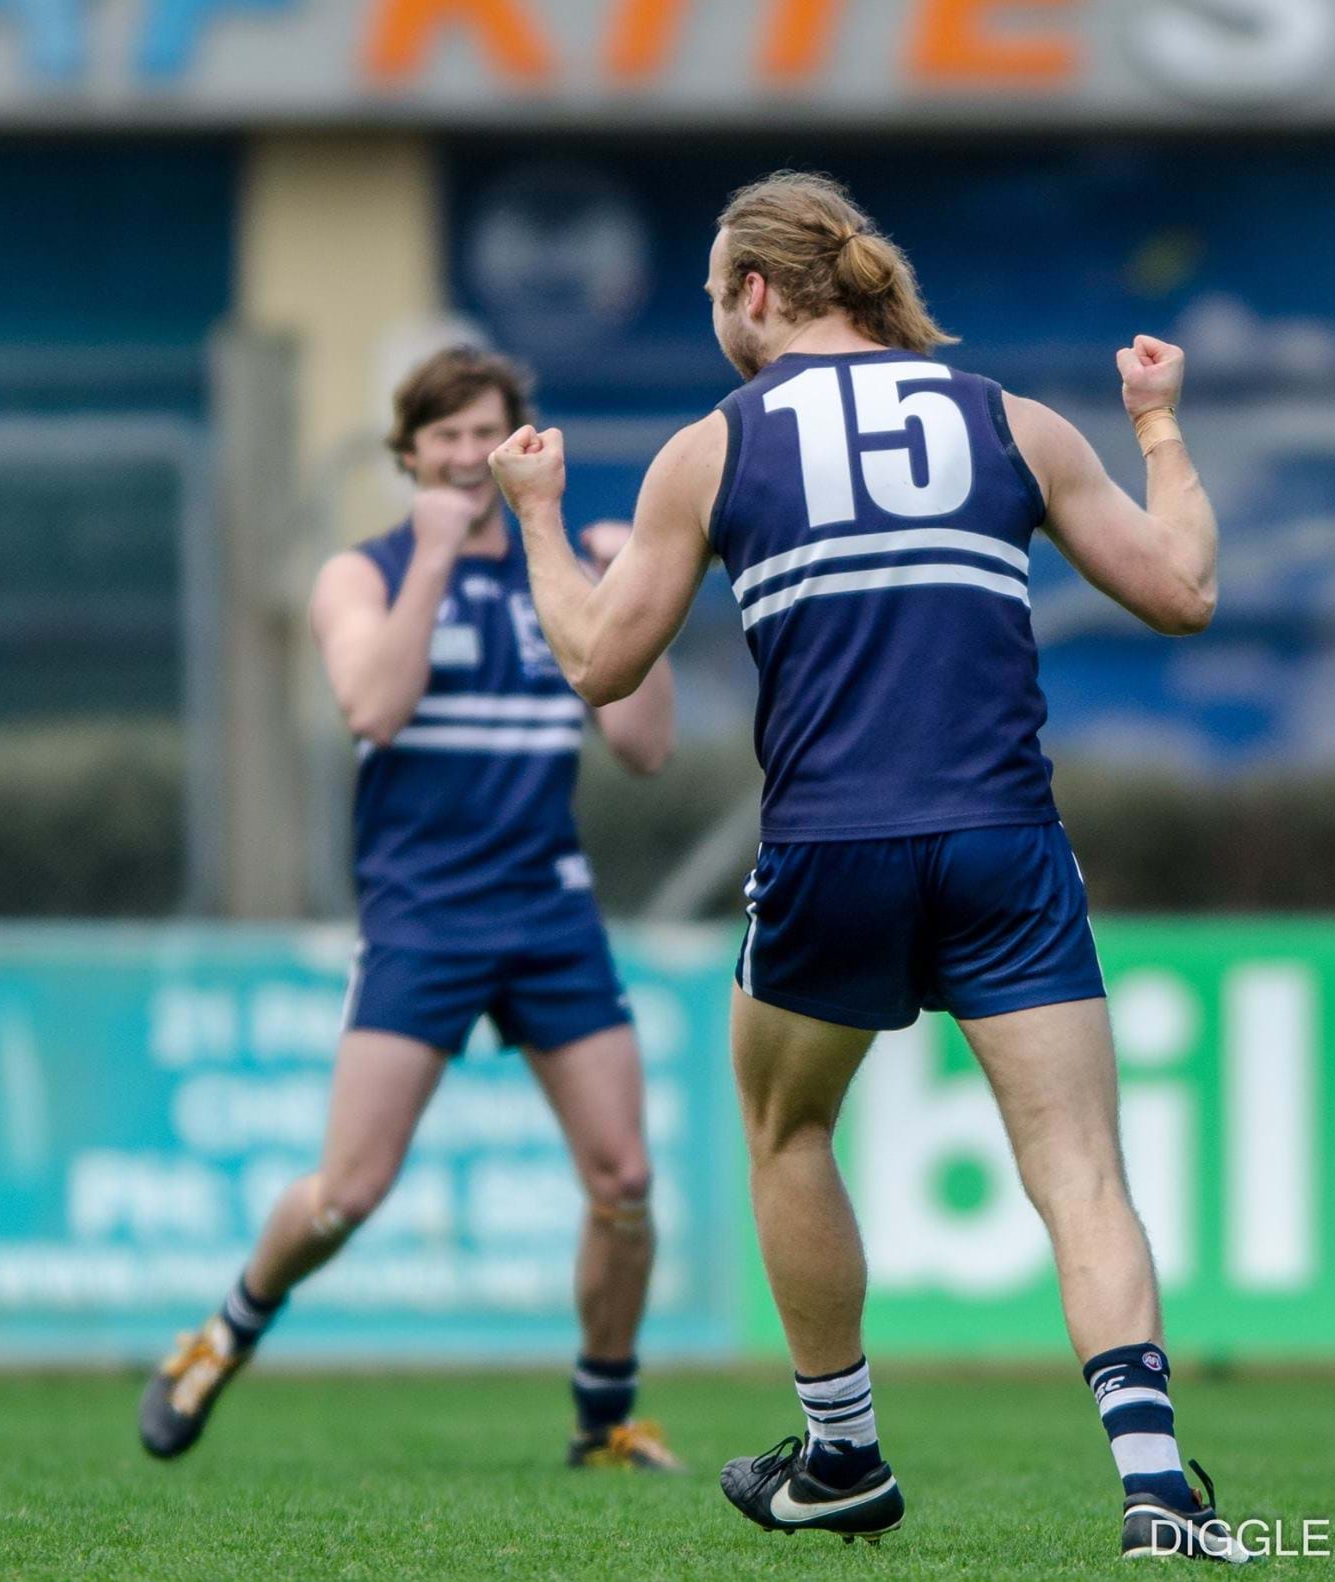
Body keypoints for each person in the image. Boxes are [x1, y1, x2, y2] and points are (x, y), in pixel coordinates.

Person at [488, 172, 1250, 1562]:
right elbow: (1183, 590)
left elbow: (599, 661)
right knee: (1079, 1169)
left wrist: (535, 514)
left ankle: (841, 1451)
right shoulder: (1011, 419)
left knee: (788, 1131)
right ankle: (1155, 1490)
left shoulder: (711, 449)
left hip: (828, 848)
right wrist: (1155, 421)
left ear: (756, 293)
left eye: (716, 294)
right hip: (1005, 841)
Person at [139, 345, 684, 1473]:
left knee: (624, 1180)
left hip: (548, 912)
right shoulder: (363, 575)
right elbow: (373, 710)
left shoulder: (558, 574)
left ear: (522, 445)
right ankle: (224, 1333)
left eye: (487, 433)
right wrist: (433, 556)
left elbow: (643, 747)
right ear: (408, 455)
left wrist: (635, 591)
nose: (467, 456)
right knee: (347, 1193)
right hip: (422, 915)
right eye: (444, 437)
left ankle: (604, 1422)